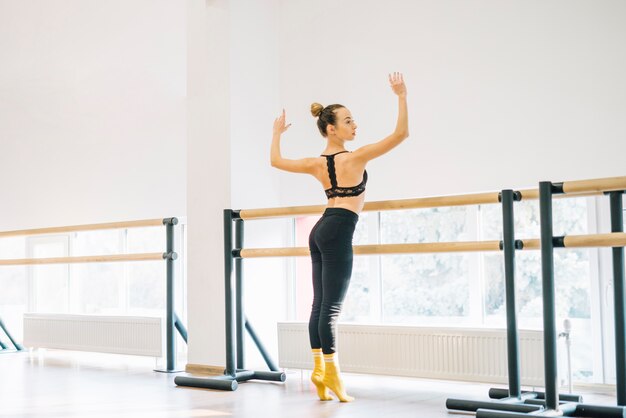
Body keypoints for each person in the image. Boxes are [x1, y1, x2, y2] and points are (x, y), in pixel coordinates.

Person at [270, 73, 408, 402]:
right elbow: (401, 134)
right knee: (330, 309)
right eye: (348, 121)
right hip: (339, 228)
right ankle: (332, 373)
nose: (354, 126)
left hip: (321, 229)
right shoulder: (355, 157)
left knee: (318, 306)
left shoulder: (315, 163)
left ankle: (321, 369)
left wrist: (276, 134)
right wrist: (401, 96)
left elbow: (275, 161)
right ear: (331, 128)